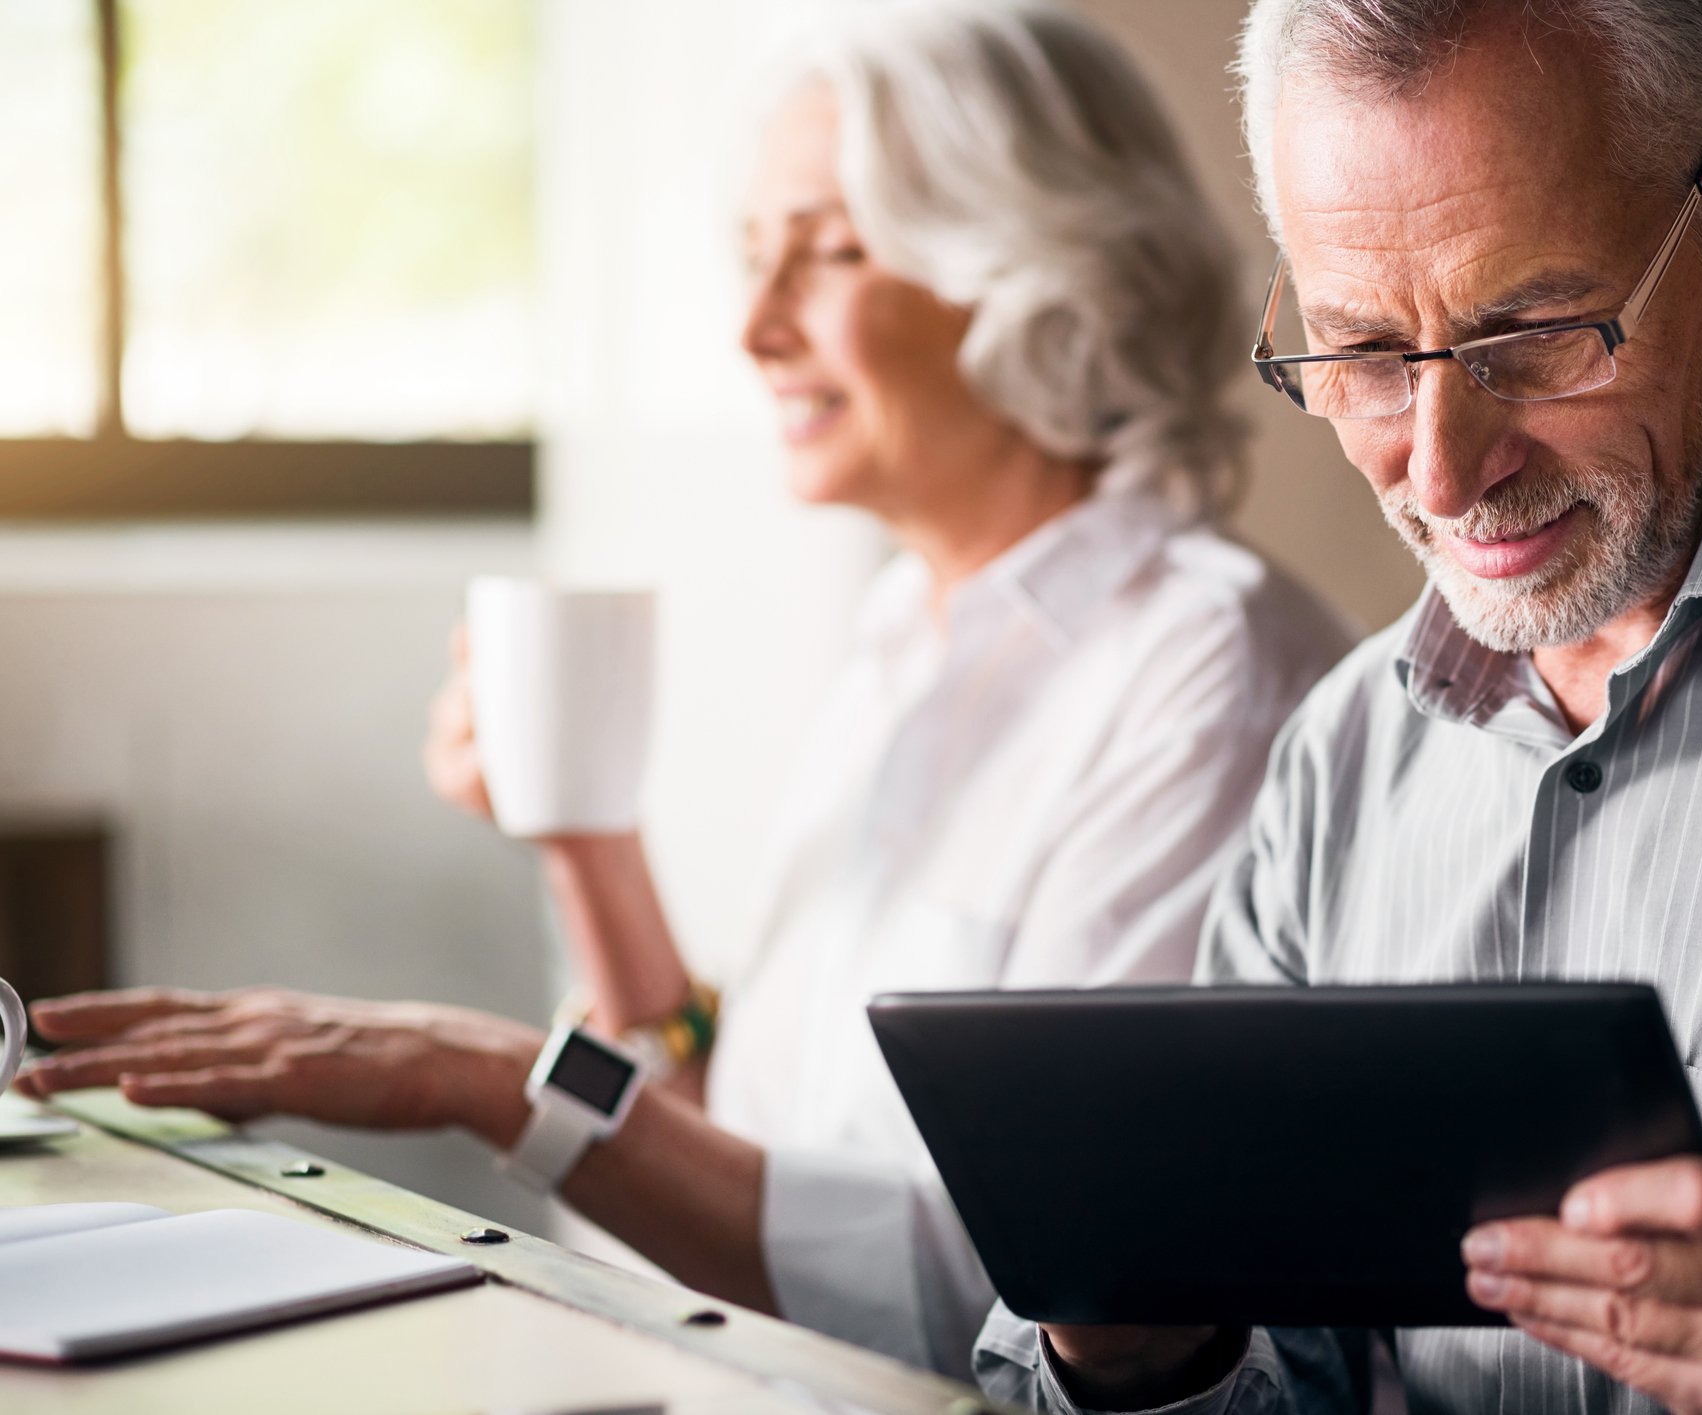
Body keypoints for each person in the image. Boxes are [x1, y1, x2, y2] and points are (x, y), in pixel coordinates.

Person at [15, 0, 1351, 1382]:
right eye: (752, 257)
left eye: (831, 251)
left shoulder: (1209, 675)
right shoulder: (908, 632)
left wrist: (484, 1078)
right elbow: (742, 1148)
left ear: (1041, 270)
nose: (757, 328)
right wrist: (586, 841)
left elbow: (1025, 1295)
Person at [969, 2, 1702, 1413]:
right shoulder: (1339, 766)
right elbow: (1297, 1377)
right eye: (1365, 354)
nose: (1442, 474)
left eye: (1534, 335)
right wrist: (1147, 1357)